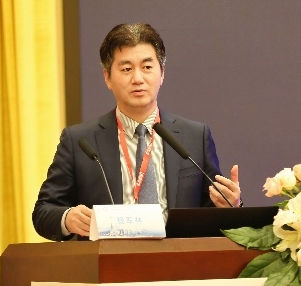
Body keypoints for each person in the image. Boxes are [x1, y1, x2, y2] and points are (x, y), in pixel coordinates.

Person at [32, 23, 241, 241]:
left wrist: (230, 207)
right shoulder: (80, 141)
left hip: (178, 259)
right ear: (107, 77)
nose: (138, 78)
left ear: (162, 73)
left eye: (147, 67)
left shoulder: (194, 136)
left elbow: (211, 213)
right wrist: (67, 218)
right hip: (109, 259)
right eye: (126, 69)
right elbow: (44, 211)